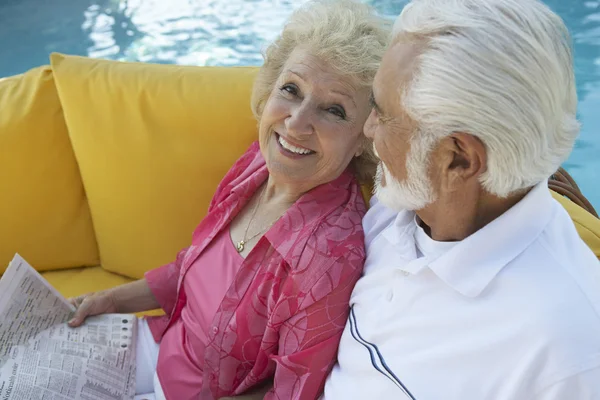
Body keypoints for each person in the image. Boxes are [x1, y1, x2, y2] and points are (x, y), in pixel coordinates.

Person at [66, 1, 390, 399]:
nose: (296, 122)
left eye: (334, 110)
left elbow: (290, 393)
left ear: (364, 138)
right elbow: (195, 268)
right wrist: (110, 299)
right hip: (159, 344)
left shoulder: (327, 257)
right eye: (291, 89)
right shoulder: (257, 165)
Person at [322, 0, 600, 399]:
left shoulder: (566, 352)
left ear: (458, 159)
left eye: (383, 115)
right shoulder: (399, 205)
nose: (368, 130)